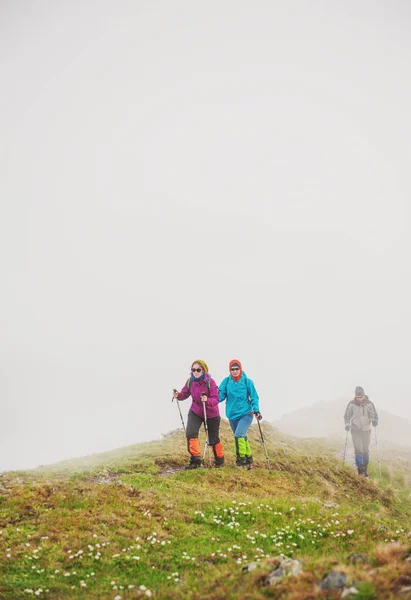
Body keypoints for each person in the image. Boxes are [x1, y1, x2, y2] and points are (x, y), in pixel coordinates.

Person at [173, 360, 224, 469]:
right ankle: (195, 461)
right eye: (193, 370)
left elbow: (216, 399)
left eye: (198, 370)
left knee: (213, 439)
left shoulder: (211, 382)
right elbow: (184, 394)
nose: (195, 372)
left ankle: (219, 460)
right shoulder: (190, 381)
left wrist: (207, 400)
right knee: (191, 433)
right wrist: (178, 395)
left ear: (204, 370)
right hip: (195, 411)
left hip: (211, 413)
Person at [218, 359, 261, 469]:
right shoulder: (226, 382)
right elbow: (220, 395)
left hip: (246, 413)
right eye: (232, 369)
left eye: (237, 369)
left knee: (239, 435)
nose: (235, 371)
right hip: (232, 415)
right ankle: (249, 458)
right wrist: (210, 399)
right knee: (241, 436)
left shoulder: (247, 381)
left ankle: (241, 460)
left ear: (240, 369)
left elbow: (254, 397)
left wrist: (256, 410)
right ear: (230, 370)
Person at [344, 386, 378, 477]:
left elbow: (374, 415)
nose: (359, 399)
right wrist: (347, 424)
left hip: (366, 430)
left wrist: (375, 420)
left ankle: (365, 470)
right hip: (355, 430)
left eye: (361, 397)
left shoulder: (369, 404)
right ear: (355, 396)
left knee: (365, 450)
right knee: (358, 449)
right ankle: (360, 471)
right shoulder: (351, 404)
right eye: (357, 397)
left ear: (364, 395)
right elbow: (347, 416)